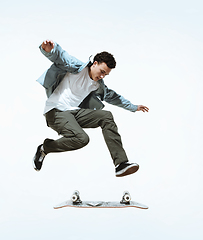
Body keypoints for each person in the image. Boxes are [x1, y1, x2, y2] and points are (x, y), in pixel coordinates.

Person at [33, 40, 149, 177]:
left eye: (105, 74)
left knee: (106, 116)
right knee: (82, 139)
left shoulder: (97, 85)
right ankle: (45, 148)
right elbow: (61, 56)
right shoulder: (77, 67)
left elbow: (113, 96)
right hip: (55, 111)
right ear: (94, 63)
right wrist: (48, 50)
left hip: (73, 113)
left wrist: (133, 107)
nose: (101, 76)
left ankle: (120, 164)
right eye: (101, 72)